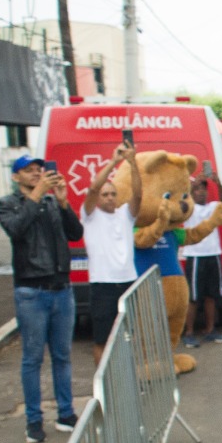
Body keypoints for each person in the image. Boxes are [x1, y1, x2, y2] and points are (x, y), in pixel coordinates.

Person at [0, 154, 82, 443]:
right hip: (31, 292)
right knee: (32, 359)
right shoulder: (7, 204)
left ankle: (66, 413)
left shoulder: (50, 202)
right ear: (16, 176)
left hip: (61, 289)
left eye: (39, 170)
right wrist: (37, 193)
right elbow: (16, 229)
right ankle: (34, 420)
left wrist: (63, 201)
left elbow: (75, 233)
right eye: (29, 171)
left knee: (62, 356)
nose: (37, 174)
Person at [79, 141, 142, 366]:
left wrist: (133, 162)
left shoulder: (125, 214)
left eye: (113, 194)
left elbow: (138, 194)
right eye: (105, 194)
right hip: (102, 285)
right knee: (102, 340)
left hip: (127, 283)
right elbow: (94, 188)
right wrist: (114, 161)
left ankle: (128, 385)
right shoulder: (89, 216)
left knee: (128, 337)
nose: (109, 197)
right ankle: (104, 389)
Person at [180, 176, 222, 348]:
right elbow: (180, 204)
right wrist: (188, 188)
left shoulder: (212, 207)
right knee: (193, 297)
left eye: (204, 188)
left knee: (211, 295)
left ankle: (210, 330)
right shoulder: (189, 208)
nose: (202, 192)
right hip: (195, 255)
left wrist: (218, 183)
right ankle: (189, 332)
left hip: (213, 254)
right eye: (198, 189)